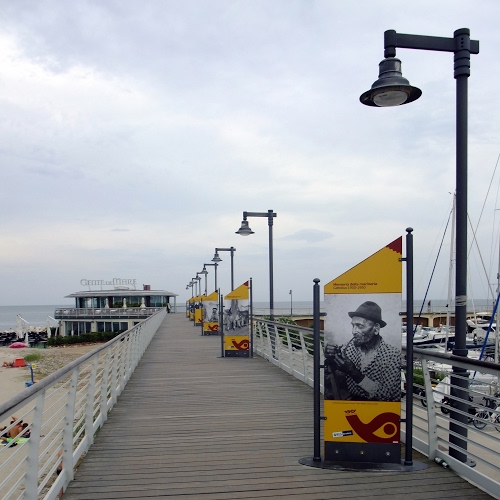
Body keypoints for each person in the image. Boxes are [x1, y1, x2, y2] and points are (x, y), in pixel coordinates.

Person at [324, 301, 401, 401]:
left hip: (380, 407)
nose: (353, 332)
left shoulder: (392, 355)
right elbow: (333, 375)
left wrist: (353, 372)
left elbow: (385, 395)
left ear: (376, 328)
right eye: (353, 325)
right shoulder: (349, 348)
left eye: (360, 326)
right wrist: (330, 357)